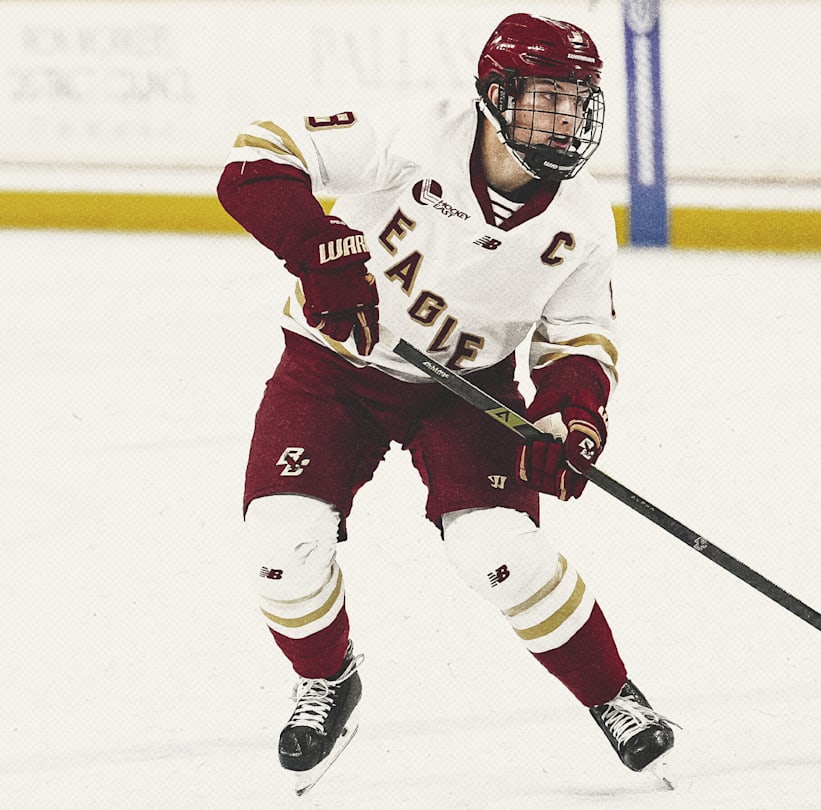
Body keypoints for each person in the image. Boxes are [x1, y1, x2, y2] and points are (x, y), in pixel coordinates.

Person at [216, 12, 676, 790]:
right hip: (332, 365)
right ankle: (329, 680)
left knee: (500, 550)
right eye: (546, 100)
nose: (564, 122)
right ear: (495, 95)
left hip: (470, 394)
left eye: (577, 104)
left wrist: (572, 414)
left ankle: (612, 695)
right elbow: (257, 156)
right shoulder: (415, 135)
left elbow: (578, 336)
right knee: (280, 545)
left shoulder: (582, 217)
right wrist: (320, 254)